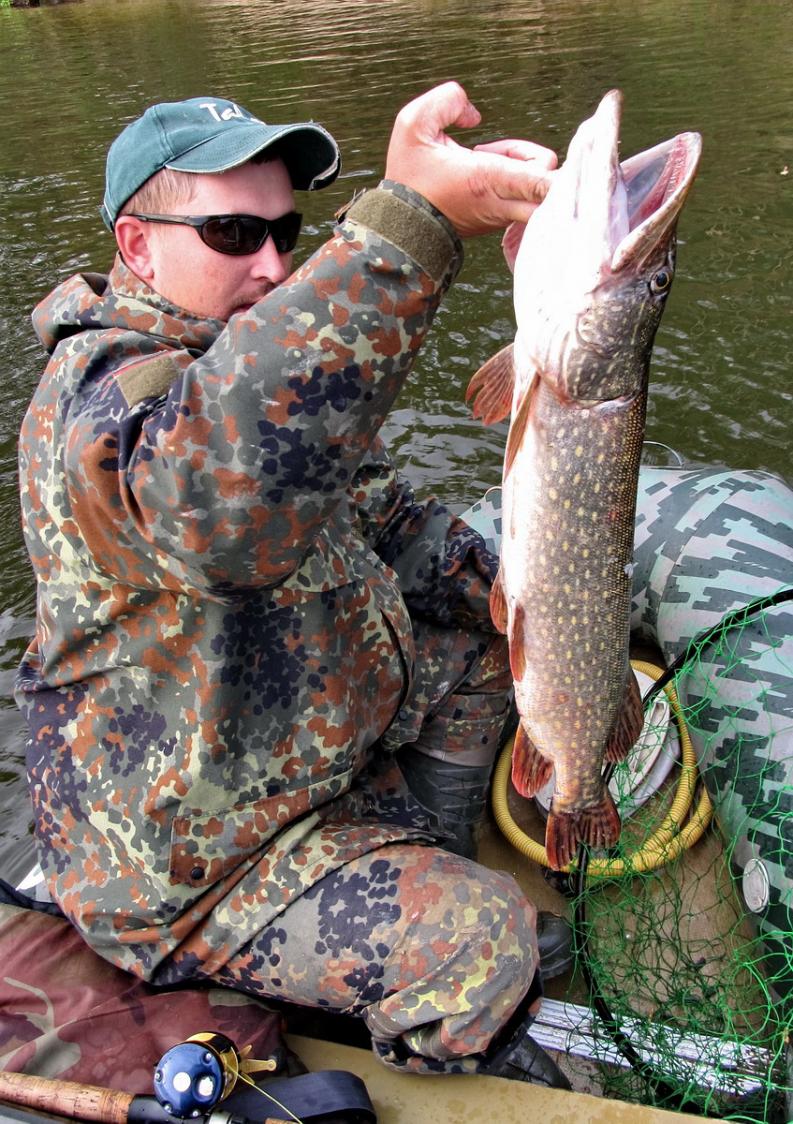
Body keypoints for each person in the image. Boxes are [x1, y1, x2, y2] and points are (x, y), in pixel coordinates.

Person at [15, 83, 571, 1086]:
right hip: (188, 859)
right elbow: (216, 505)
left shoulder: (236, 361)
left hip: (279, 758)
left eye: (285, 231)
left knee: (492, 640)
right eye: (233, 233)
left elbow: (380, 516)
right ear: (138, 246)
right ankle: (437, 1034)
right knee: (485, 937)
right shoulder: (103, 400)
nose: (271, 264)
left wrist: (534, 593)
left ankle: (421, 852)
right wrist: (411, 225)